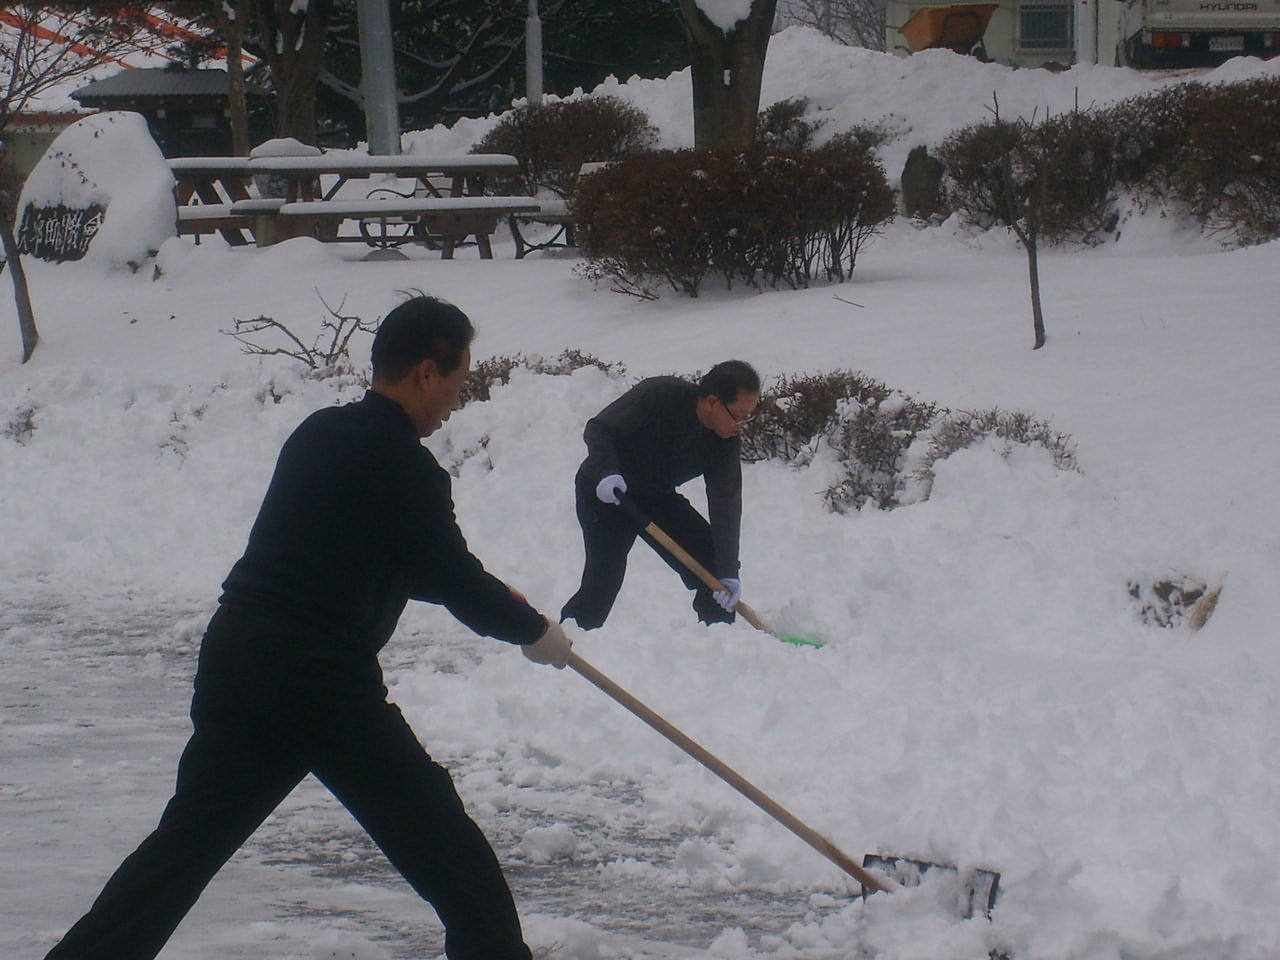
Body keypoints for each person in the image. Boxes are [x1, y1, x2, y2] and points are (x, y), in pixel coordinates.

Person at [42, 296, 572, 960]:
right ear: (426, 374)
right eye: (459, 381)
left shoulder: (321, 431)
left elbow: (387, 556)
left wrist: (505, 608)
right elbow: (449, 570)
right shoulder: (405, 464)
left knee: (180, 854)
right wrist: (530, 628)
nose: (456, 401)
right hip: (314, 671)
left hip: (239, 651)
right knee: (450, 854)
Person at [560, 360, 761, 630]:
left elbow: (726, 500)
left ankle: (720, 641)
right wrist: (608, 470)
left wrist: (728, 572)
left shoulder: (725, 441)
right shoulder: (661, 395)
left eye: (749, 416)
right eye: (739, 414)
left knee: (712, 565)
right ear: (713, 402)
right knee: (603, 580)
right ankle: (566, 644)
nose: (742, 424)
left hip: (656, 497)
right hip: (606, 493)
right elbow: (600, 428)